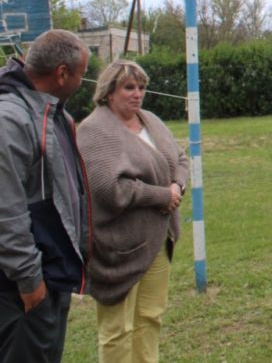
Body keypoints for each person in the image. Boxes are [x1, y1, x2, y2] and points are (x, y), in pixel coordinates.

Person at [77, 60, 189, 363]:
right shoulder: (94, 130)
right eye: (129, 87)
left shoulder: (150, 120)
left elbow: (179, 159)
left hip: (158, 242)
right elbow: (110, 189)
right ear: (109, 91)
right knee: (117, 330)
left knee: (150, 317)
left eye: (141, 87)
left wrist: (177, 186)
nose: (137, 94)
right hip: (117, 248)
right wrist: (160, 195)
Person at [0, 29, 91, 363]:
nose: (83, 82)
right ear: (62, 73)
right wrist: (29, 280)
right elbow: (5, 212)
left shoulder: (54, 114)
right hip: (20, 286)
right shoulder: (10, 119)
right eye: (82, 74)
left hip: (51, 273)